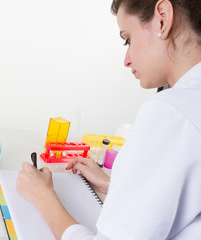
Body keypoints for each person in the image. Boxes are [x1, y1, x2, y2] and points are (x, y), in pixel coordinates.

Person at [16, 0, 201, 239]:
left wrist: (43, 198)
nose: (127, 60)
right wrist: (116, 186)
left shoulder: (172, 111)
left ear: (162, 19)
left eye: (128, 39)